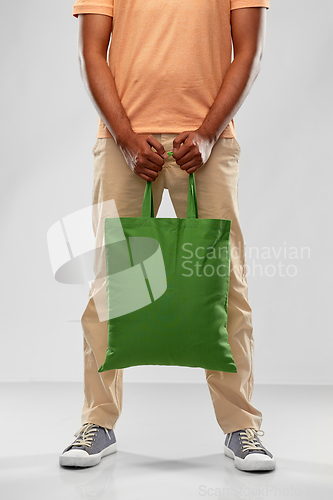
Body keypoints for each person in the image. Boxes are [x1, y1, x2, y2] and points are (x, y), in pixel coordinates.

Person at [59, 0, 275, 472]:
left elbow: (250, 49)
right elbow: (91, 53)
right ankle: (98, 421)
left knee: (223, 284)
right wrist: (123, 135)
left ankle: (243, 427)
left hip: (208, 141)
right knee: (109, 284)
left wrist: (208, 133)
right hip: (122, 139)